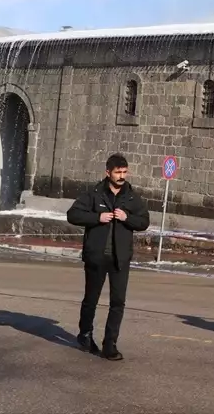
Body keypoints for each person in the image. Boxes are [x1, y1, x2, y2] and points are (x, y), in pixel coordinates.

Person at [65, 153, 150, 360]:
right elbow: (73, 214)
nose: (122, 176)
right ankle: (85, 335)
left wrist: (127, 217)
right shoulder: (94, 194)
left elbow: (144, 222)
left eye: (124, 172)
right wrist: (97, 217)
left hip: (120, 259)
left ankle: (110, 344)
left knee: (118, 302)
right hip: (96, 257)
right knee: (91, 300)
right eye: (117, 172)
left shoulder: (131, 197)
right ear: (108, 173)